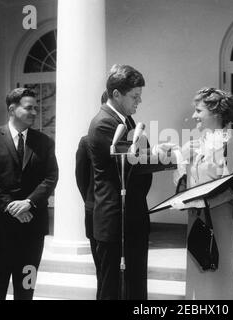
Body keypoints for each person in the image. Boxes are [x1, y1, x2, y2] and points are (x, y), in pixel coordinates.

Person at [173, 87, 233, 300]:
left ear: (216, 113)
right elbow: (181, 184)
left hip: (219, 219)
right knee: (197, 272)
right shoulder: (194, 145)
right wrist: (181, 160)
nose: (194, 116)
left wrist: (202, 203)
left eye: (199, 111)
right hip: (194, 218)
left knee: (219, 272)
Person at [87, 65, 153, 300]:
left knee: (134, 286)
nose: (139, 101)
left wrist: (155, 153)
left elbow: (140, 156)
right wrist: (157, 157)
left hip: (131, 217)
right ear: (116, 94)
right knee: (113, 289)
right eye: (135, 96)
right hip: (116, 220)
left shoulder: (126, 119)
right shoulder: (104, 123)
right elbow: (132, 166)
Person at [0, 88, 58, 300]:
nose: (34, 112)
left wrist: (29, 203)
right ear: (12, 109)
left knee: (26, 288)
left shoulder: (44, 142)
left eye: (35, 108)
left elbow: (51, 177)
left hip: (32, 230)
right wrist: (12, 207)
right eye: (29, 108)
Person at [74, 91, 108, 299]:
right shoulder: (86, 142)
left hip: (125, 215)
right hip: (95, 211)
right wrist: (93, 202)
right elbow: (81, 178)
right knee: (102, 271)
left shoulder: (135, 138)